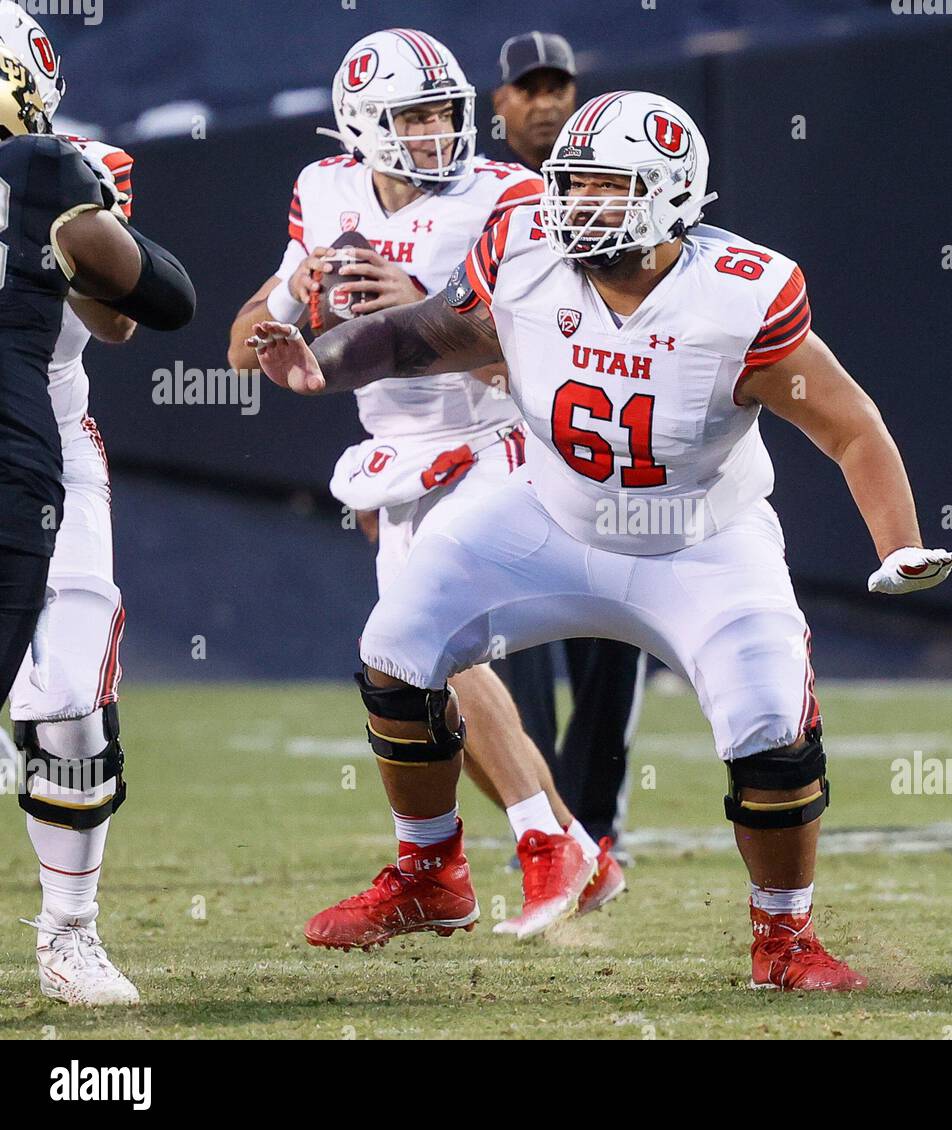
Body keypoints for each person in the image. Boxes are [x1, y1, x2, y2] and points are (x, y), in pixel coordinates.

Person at [250, 90, 952, 988]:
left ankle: (784, 940)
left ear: (670, 195)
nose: (575, 205)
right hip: (547, 511)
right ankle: (433, 873)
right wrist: (330, 361)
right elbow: (433, 332)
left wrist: (897, 545)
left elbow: (852, 427)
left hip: (698, 541)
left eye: (604, 187)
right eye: (571, 183)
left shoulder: (739, 295)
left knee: (772, 731)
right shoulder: (526, 250)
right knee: (395, 644)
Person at [227, 28, 624, 950]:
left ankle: (519, 849)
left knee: (427, 645)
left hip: (502, 442)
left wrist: (426, 306)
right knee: (420, 673)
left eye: (446, 112)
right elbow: (244, 341)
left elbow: (551, 356)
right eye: (414, 116)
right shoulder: (324, 192)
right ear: (362, 126)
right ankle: (570, 846)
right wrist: (293, 318)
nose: (440, 131)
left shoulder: (506, 197)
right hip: (399, 462)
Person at [0, 24, 195, 1007]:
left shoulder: (71, 167)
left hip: (47, 441)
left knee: (72, 697)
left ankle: (68, 932)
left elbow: (121, 320)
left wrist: (56, 230)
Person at [486, 29, 645, 857]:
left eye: (560, 85)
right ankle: (550, 833)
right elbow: (442, 322)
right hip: (501, 452)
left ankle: (595, 823)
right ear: (499, 101)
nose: (547, 99)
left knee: (614, 638)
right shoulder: (478, 196)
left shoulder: (615, 184)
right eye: (529, 86)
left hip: (607, 450)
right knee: (514, 649)